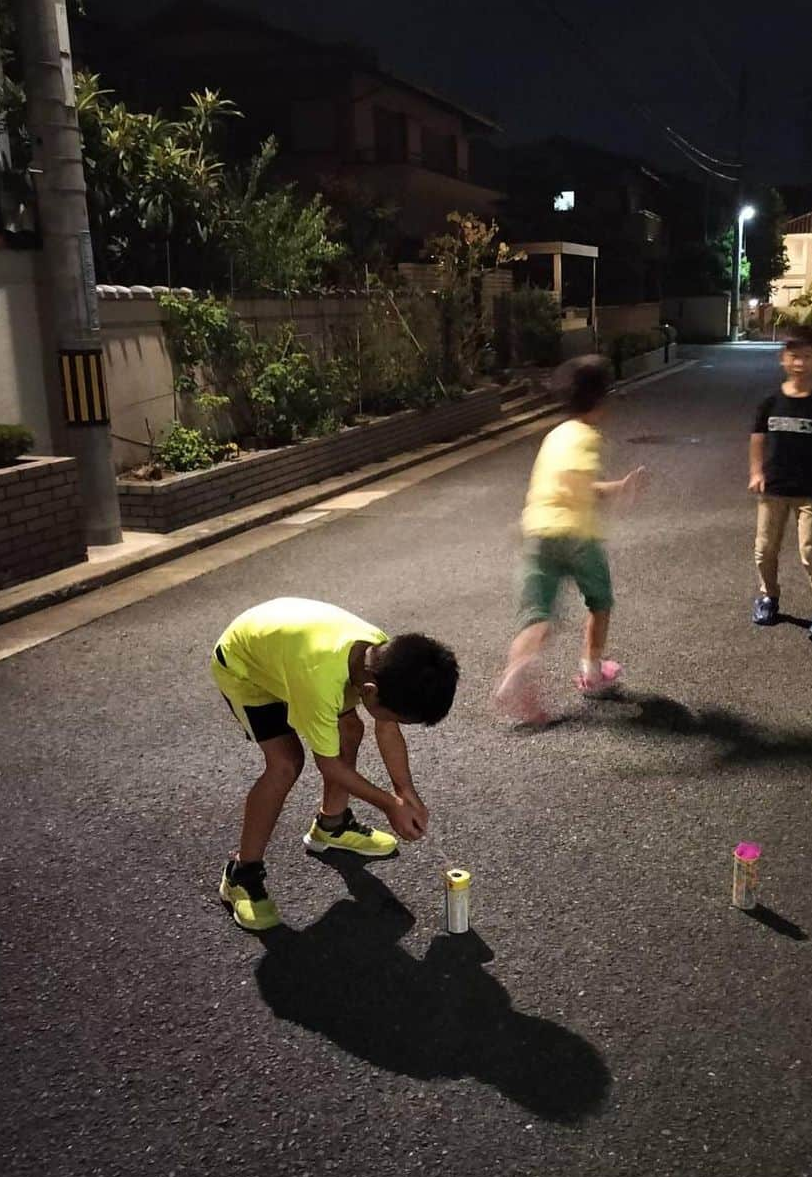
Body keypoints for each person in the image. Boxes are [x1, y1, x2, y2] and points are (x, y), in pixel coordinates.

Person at [212, 598, 459, 931]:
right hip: (246, 667)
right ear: (370, 692)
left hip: (289, 650)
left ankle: (331, 826)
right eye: (397, 716)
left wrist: (405, 790)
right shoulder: (320, 680)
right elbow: (328, 765)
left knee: (350, 728)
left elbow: (385, 726)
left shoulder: (380, 655)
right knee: (286, 763)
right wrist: (389, 805)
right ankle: (241, 875)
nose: (393, 722)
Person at [495, 354, 647, 723]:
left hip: (536, 531)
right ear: (601, 400)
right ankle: (592, 672)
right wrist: (619, 497)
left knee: (537, 616)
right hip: (577, 536)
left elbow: (567, 481)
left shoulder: (555, 435)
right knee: (599, 602)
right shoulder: (586, 437)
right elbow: (580, 480)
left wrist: (614, 488)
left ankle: (517, 674)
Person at [748, 324, 812, 642]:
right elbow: (757, 438)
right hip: (773, 488)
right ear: (783, 359)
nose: (800, 363)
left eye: (808, 356)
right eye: (794, 356)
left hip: (811, 491)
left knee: (811, 552)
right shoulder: (770, 401)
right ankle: (769, 598)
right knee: (764, 550)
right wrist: (756, 472)